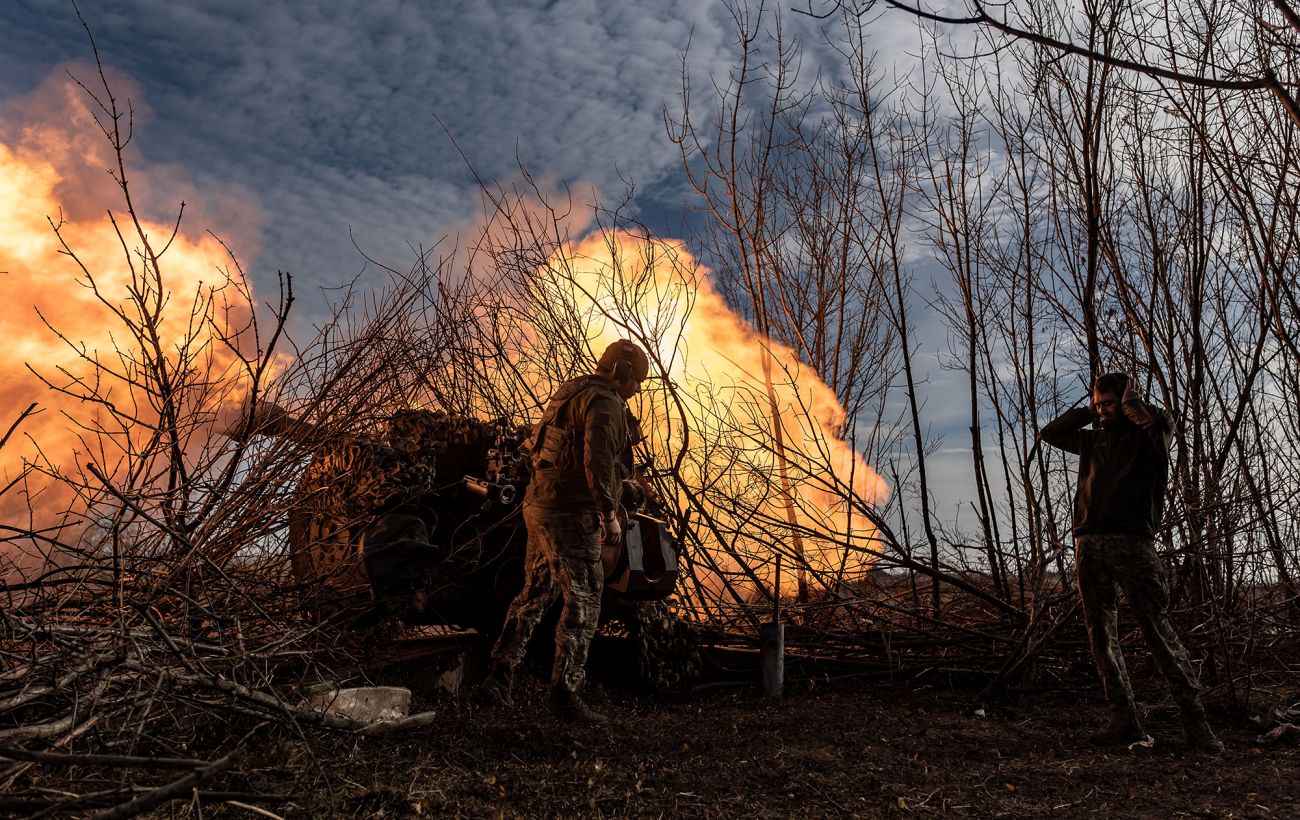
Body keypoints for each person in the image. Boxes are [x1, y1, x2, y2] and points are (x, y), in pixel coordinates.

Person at [1039, 372, 1223, 753]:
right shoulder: (1092, 439)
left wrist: (1129, 404)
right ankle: (1125, 722)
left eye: (1110, 403)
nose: (1104, 410)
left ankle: (1196, 725)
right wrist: (1089, 411)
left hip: (1133, 544)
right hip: (1088, 544)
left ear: (1127, 400)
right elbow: (1050, 433)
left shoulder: (1151, 434)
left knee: (1158, 631)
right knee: (1100, 635)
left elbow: (1155, 422)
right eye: (1099, 404)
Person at [480, 340, 650, 723]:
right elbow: (598, 460)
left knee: (534, 593)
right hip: (571, 515)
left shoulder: (572, 390)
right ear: (622, 373)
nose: (637, 388)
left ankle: (498, 676)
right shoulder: (604, 402)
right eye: (636, 380)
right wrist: (608, 513)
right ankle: (566, 693)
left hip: (539, 506)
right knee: (586, 599)